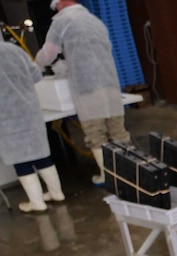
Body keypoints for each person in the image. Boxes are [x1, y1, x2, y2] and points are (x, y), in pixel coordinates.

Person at [35, 0, 130, 186]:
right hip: (110, 84)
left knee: (96, 134)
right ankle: (129, 172)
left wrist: (36, 65)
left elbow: (49, 52)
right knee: (118, 132)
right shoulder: (94, 20)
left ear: (60, 4)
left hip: (87, 87)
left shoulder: (62, 22)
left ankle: (108, 177)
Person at [0, 41, 66, 214]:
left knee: (21, 159)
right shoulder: (13, 49)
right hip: (29, 109)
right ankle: (56, 193)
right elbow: (36, 75)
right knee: (40, 154)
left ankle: (36, 202)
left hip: (5, 116)